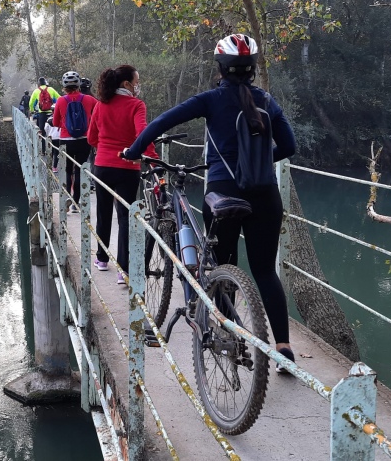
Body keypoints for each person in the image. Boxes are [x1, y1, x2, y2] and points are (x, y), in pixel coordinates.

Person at [122, 33, 297, 368]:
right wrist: (256, 162)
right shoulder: (268, 102)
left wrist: (133, 151)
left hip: (222, 195)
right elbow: (288, 147)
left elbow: (161, 123)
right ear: (252, 69)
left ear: (220, 67)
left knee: (222, 267)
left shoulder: (210, 100)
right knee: (263, 271)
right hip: (265, 195)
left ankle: (228, 333)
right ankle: (284, 349)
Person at [86, 65, 158, 284]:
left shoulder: (101, 105)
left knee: (103, 211)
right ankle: (124, 270)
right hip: (128, 168)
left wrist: (106, 148)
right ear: (126, 84)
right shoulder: (137, 105)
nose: (138, 86)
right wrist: (153, 159)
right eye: (136, 81)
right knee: (126, 216)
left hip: (102, 166)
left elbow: (91, 138)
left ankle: (101, 259)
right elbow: (142, 135)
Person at [53, 71, 97, 212]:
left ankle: (66, 197)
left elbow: (55, 122)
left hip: (66, 140)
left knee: (67, 170)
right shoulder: (89, 100)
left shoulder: (60, 101)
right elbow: (99, 115)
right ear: (79, 85)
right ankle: (76, 204)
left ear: (64, 86)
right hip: (85, 140)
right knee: (79, 170)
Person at [29, 77, 60, 155]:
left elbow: (31, 103)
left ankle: (43, 151)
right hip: (51, 113)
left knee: (42, 131)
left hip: (41, 114)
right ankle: (54, 150)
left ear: (39, 84)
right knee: (52, 131)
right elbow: (59, 98)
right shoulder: (51, 89)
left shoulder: (36, 91)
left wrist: (32, 110)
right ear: (45, 83)